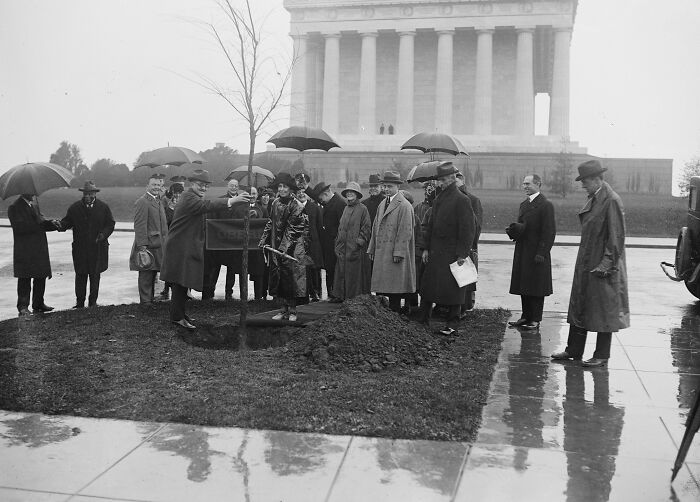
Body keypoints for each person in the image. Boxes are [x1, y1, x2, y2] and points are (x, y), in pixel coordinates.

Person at [552, 160, 630, 368]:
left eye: (585, 181)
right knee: (581, 305)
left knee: (604, 311)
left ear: (597, 179)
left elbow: (616, 237)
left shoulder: (611, 200)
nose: (583, 185)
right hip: (588, 261)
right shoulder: (596, 198)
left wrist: (606, 265)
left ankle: (601, 355)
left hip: (602, 266)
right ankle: (573, 350)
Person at [160, 169, 251, 329]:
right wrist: (233, 200)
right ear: (192, 184)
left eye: (205, 186)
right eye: (200, 185)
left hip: (184, 246)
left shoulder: (193, 197)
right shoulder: (189, 197)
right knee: (179, 284)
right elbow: (207, 206)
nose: (203, 188)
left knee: (183, 283)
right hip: (180, 247)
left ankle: (180, 315)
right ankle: (177, 317)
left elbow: (205, 209)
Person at [419, 162, 475, 335]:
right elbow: (430, 226)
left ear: (452, 179)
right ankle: (423, 320)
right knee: (428, 287)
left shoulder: (462, 200)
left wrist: (462, 254)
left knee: (454, 290)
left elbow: (468, 230)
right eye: (439, 180)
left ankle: (452, 324)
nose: (439, 183)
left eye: (443, 180)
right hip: (435, 251)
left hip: (452, 253)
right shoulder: (438, 199)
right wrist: (426, 248)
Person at [506, 174, 556, 330]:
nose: (525, 186)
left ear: (538, 184)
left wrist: (542, 252)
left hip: (537, 253)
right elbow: (523, 226)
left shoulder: (546, 205)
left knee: (537, 287)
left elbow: (549, 232)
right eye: (523, 184)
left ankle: (535, 319)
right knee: (524, 285)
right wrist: (514, 231)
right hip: (523, 250)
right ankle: (525, 316)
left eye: (528, 183)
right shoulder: (524, 204)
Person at [259, 173, 311, 321]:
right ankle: (283, 309)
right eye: (280, 186)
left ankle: (293, 310)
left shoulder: (297, 206)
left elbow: (293, 230)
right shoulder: (275, 203)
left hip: (293, 247)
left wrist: (284, 248)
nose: (281, 189)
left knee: (291, 277)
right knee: (278, 276)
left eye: (285, 187)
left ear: (290, 189)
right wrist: (264, 239)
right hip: (277, 245)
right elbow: (271, 222)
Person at [59, 181, 116, 308]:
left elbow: (110, 224)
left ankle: (93, 302)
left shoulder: (103, 207)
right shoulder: (75, 208)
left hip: (98, 247)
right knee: (80, 274)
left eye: (90, 194)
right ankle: (79, 303)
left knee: (95, 275)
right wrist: (59, 225)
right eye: (85, 193)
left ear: (95, 194)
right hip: (80, 248)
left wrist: (103, 234)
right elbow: (67, 222)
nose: (87, 196)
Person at [367, 171, 416, 312]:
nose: (386, 189)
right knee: (382, 286)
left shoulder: (404, 205)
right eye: (384, 186)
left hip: (394, 252)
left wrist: (399, 252)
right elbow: (375, 226)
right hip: (382, 251)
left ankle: (394, 314)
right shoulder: (382, 203)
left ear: (397, 187)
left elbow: (405, 231)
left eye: (389, 186)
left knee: (395, 286)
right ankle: (383, 315)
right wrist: (371, 248)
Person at [8, 193, 60, 315]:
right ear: (24, 190)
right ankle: (23, 306)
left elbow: (40, 224)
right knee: (25, 278)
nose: (34, 193)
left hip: (38, 248)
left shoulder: (33, 205)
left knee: (40, 275)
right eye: (31, 190)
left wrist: (52, 223)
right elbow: (20, 227)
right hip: (25, 249)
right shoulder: (15, 207)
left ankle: (38, 303)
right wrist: (39, 223)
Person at [129, 173, 168, 304]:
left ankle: (149, 301)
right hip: (148, 246)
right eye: (153, 185)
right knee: (146, 274)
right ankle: (145, 303)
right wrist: (142, 247)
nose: (156, 187)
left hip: (158, 245)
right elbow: (139, 226)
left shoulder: (158, 201)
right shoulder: (142, 202)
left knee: (152, 274)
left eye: (158, 185)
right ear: (147, 186)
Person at [332, 182, 372, 302]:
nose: (349, 193)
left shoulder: (363, 209)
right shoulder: (345, 209)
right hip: (343, 248)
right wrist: (338, 244)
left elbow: (366, 228)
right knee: (342, 273)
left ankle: (354, 299)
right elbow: (341, 228)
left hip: (355, 250)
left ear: (357, 194)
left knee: (355, 275)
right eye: (348, 192)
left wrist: (358, 243)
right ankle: (341, 296)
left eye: (352, 192)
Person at [311, 181, 346, 299]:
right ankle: (332, 294)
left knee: (335, 270)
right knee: (329, 270)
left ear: (326, 193)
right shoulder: (330, 202)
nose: (320, 201)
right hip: (328, 244)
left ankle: (337, 294)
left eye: (321, 198)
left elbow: (343, 226)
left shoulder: (339, 203)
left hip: (336, 244)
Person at [456, 172, 483, 314]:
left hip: (467, 246)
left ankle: (465, 307)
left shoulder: (473, 200)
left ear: (461, 180)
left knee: (465, 277)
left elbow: (477, 226)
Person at [297, 189, 324, 302]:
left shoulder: (315, 208)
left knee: (314, 269)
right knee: (302, 269)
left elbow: (319, 226)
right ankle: (304, 293)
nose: (301, 194)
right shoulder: (293, 207)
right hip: (299, 243)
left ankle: (316, 293)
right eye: (299, 192)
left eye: (304, 192)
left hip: (313, 243)